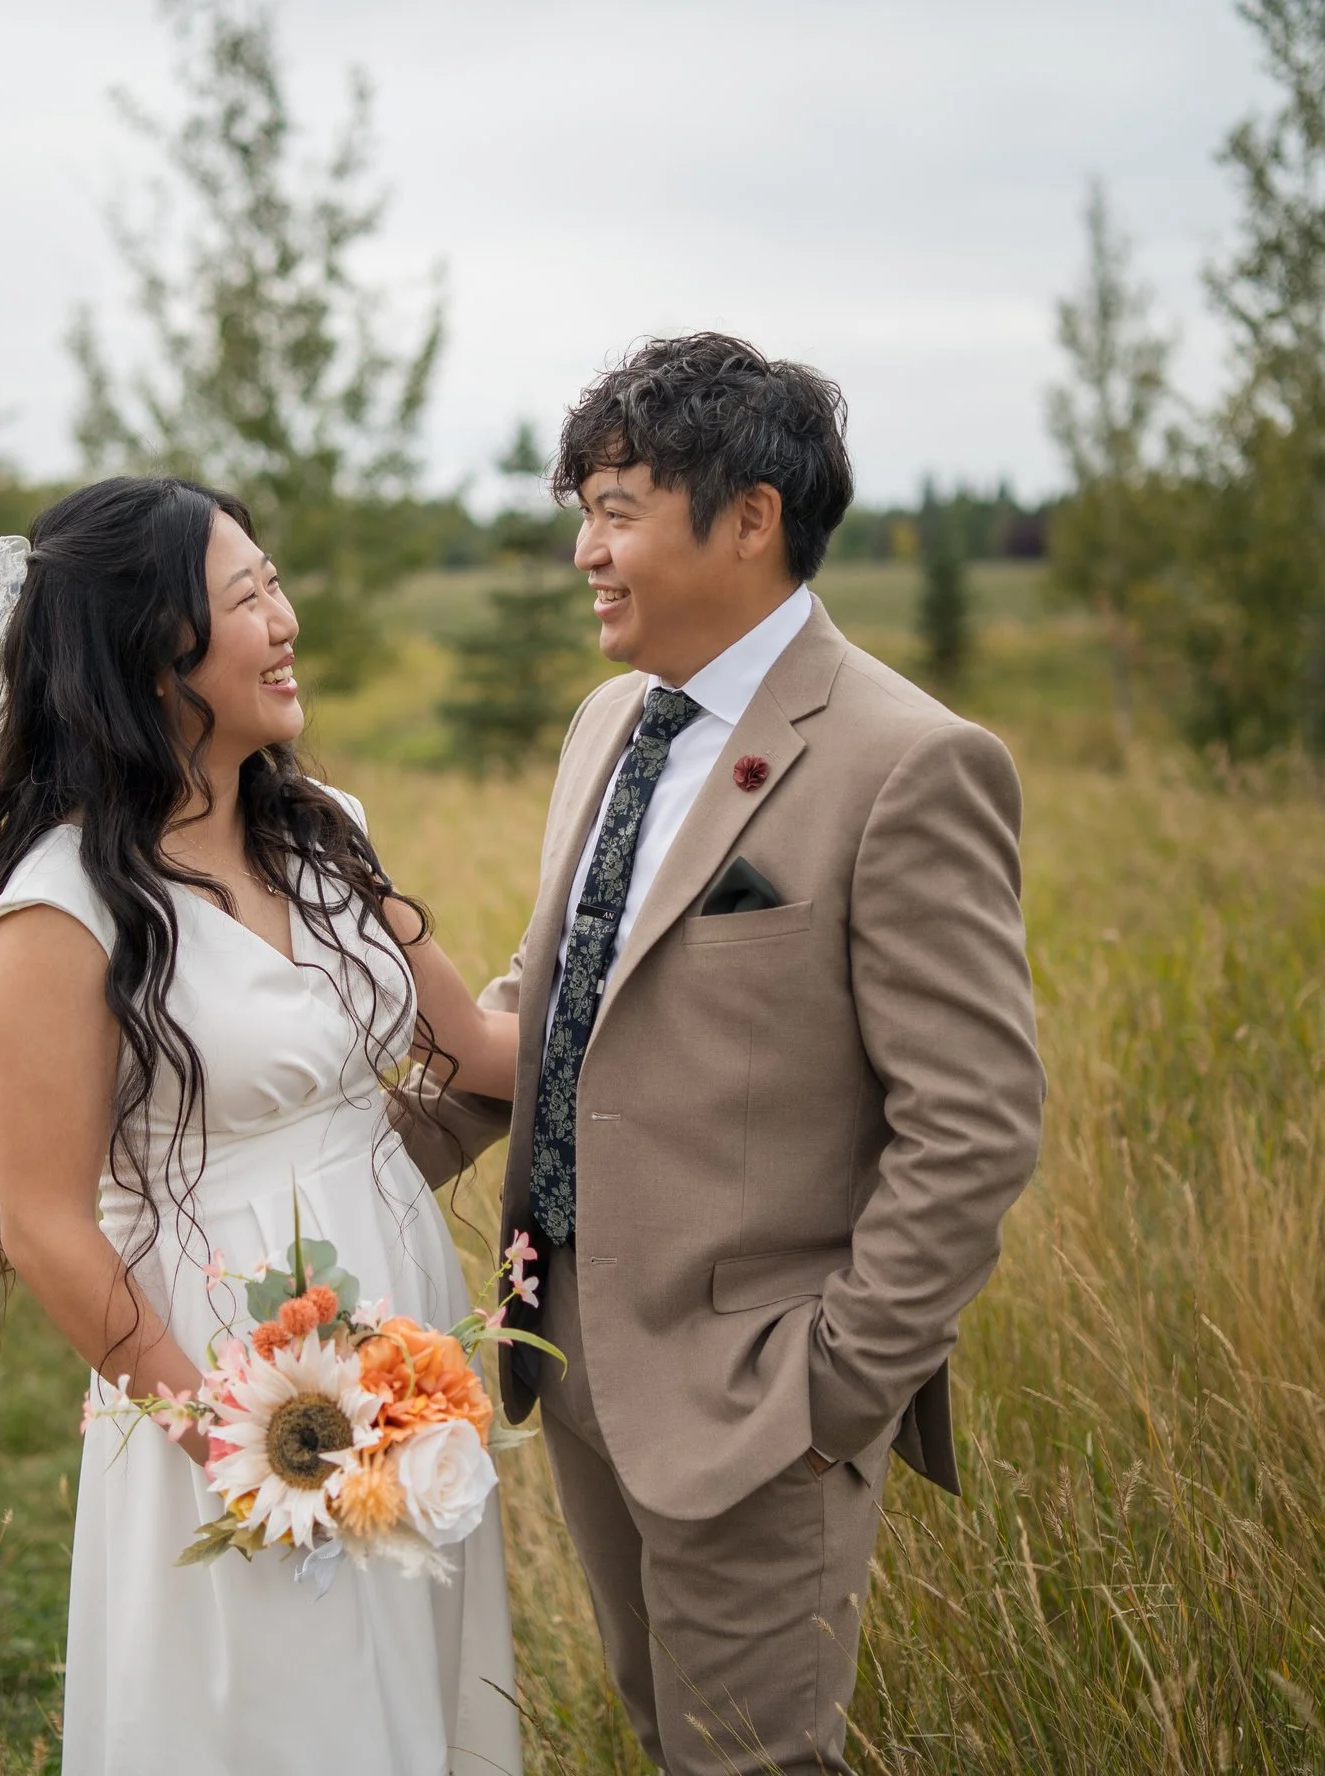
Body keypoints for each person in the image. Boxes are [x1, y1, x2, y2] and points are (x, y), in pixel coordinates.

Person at [397, 334, 1044, 1774]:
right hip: (569, 1361)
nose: (585, 551)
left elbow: (979, 1122)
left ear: (751, 517)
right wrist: (355, 1144)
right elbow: (557, 1002)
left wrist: (834, 1393)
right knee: (660, 1736)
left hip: (759, 1400)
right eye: (584, 511)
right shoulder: (609, 723)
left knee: (753, 1762)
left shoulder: (909, 761)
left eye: (617, 507)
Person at [0, 477, 522, 1776]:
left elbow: (477, 1048)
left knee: (415, 1684)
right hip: (223, 1370)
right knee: (279, 1709)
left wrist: (684, 987)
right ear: (153, 654)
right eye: (249, 595)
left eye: (277, 582)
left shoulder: (325, 834)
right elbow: (42, 1224)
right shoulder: (59, 910)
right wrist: (244, 1443)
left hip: (400, 1321)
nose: (288, 617)